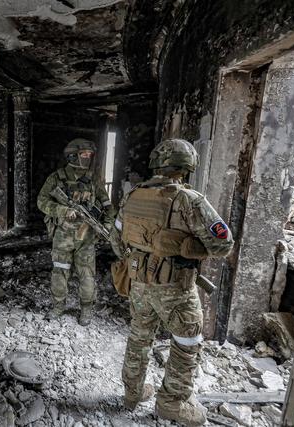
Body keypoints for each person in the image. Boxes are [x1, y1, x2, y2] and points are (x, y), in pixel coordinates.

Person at [113, 139, 233, 426]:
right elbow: (223, 244)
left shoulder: (133, 195)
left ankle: (132, 394)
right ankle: (172, 403)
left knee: (140, 335)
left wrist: (140, 256)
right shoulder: (189, 200)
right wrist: (188, 247)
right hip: (175, 287)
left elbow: (117, 237)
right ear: (186, 167)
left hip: (139, 282)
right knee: (187, 340)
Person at [37, 138, 115, 326]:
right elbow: (42, 201)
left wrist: (108, 225)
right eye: (84, 155)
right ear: (72, 156)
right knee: (60, 272)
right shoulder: (56, 178)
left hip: (86, 237)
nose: (88, 158)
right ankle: (58, 306)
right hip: (63, 236)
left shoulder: (94, 180)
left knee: (87, 274)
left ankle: (86, 310)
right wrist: (63, 211)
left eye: (89, 155)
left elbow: (108, 206)